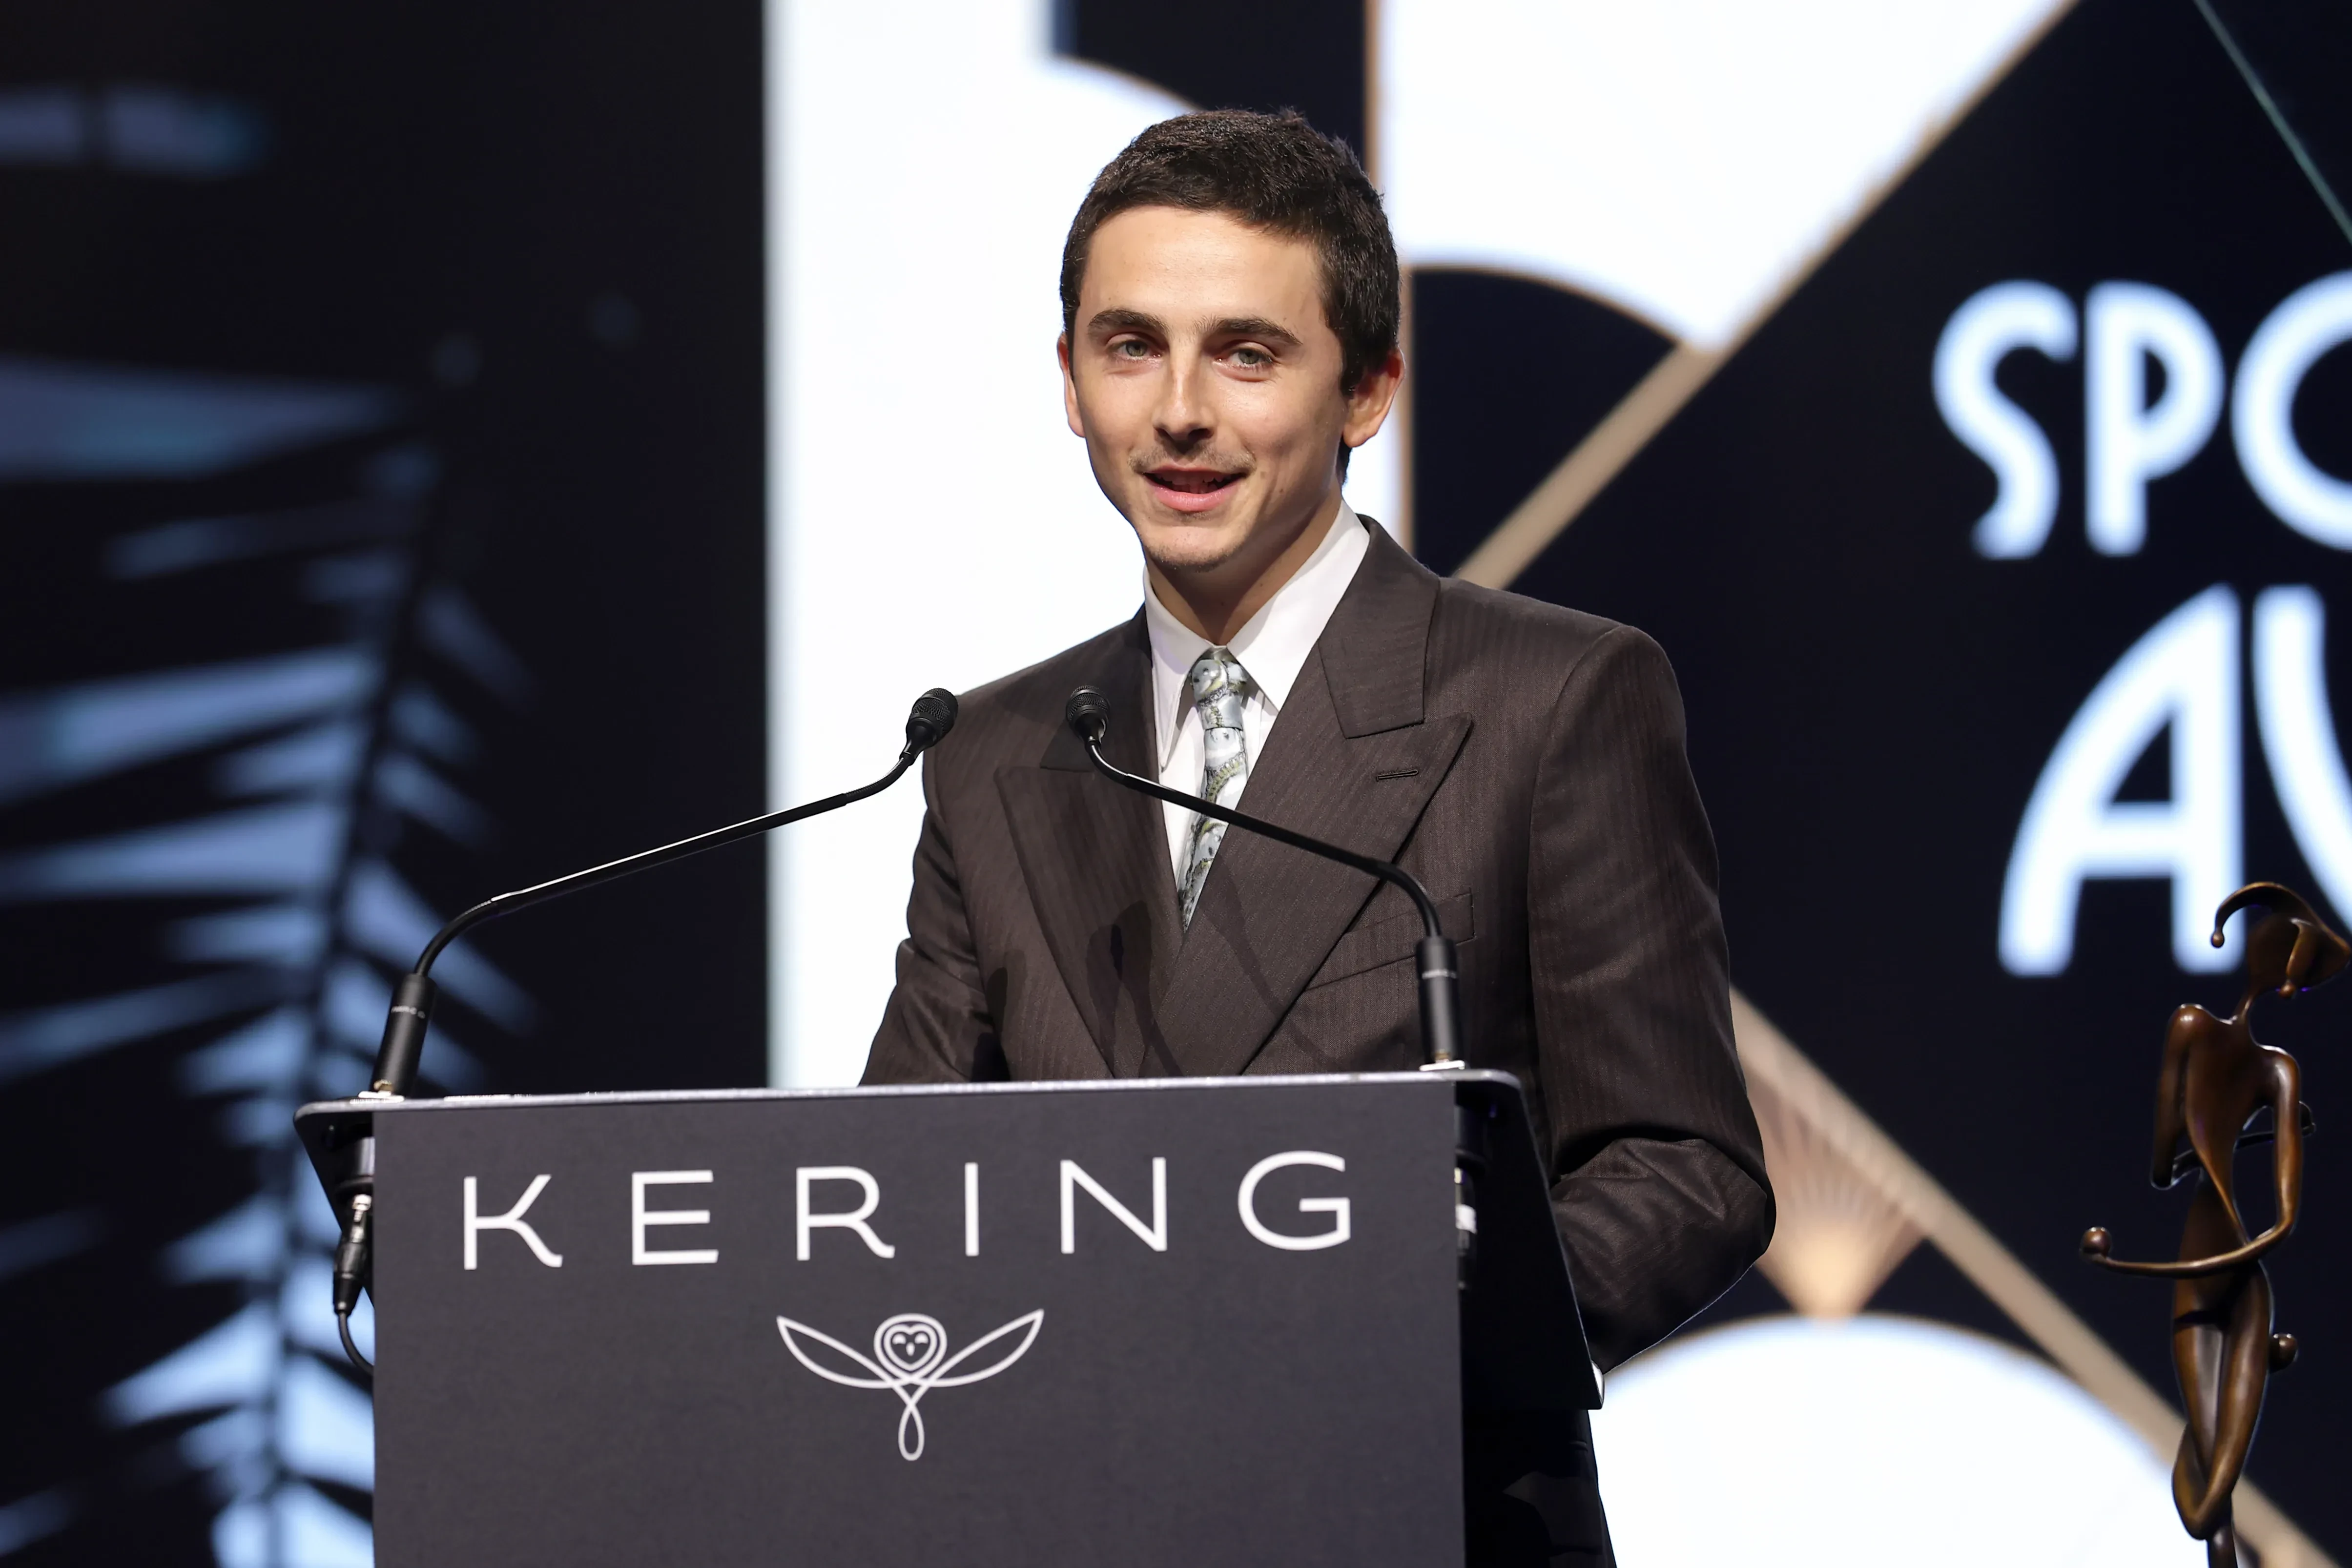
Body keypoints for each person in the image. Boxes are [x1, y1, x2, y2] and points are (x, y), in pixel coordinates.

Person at [862, 108, 1772, 1566]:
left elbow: (1683, 1166)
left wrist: (1402, 1321)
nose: (1180, 413)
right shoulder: (993, 752)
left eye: (1246, 354)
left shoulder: (1553, 698)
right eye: (1131, 346)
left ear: (1368, 389)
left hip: (1424, 1508)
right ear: (1070, 382)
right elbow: (896, 1189)